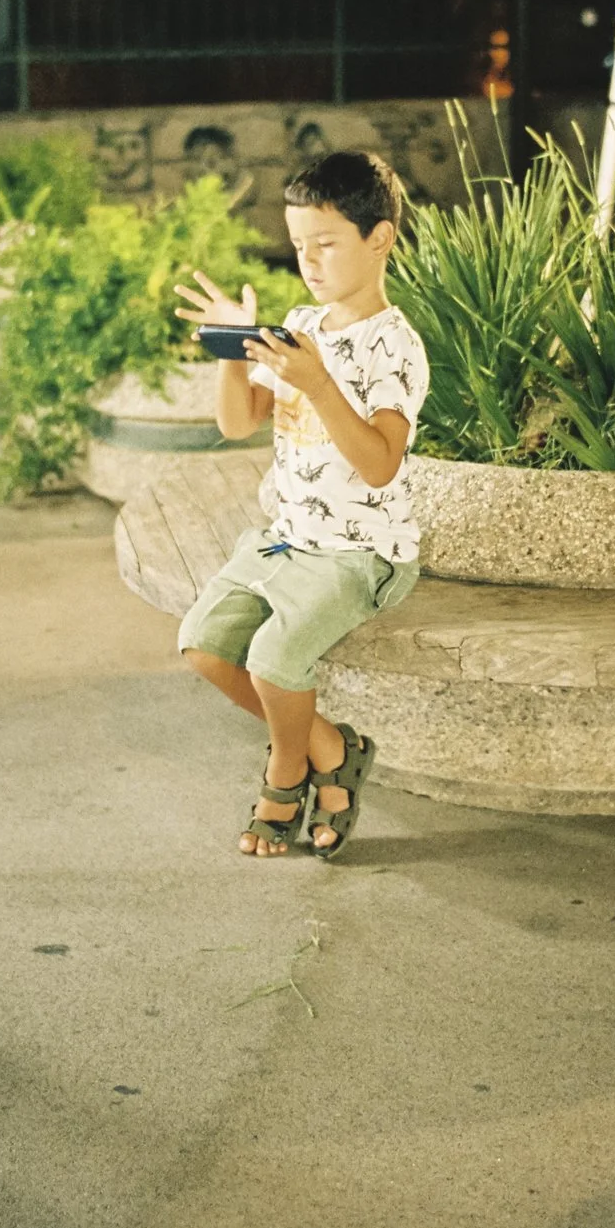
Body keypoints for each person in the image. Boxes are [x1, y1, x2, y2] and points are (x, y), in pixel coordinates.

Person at [172, 151, 428, 859]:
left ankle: (287, 770)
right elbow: (237, 423)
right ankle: (331, 749)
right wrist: (233, 350)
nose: (308, 261)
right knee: (202, 644)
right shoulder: (299, 324)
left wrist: (319, 384)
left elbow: (379, 465)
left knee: (272, 660)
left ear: (379, 238)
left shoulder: (394, 346)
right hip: (289, 538)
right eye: (297, 245)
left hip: (360, 551)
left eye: (326, 243)